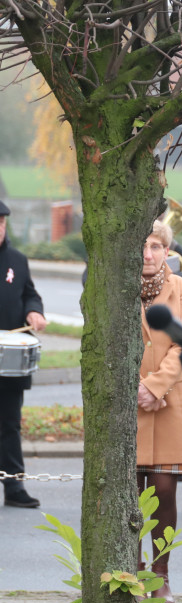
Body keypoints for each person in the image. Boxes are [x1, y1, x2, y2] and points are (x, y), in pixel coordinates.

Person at [136, 220, 182, 603]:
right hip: (125, 401)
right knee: (127, 495)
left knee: (162, 492)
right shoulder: (115, 283)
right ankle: (130, 572)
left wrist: (156, 386)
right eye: (143, 245)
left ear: (167, 251)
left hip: (167, 401)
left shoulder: (181, 288)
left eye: (156, 246)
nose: (148, 254)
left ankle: (160, 576)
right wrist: (137, 388)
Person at [0, 200, 47, 508]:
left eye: (2, 223)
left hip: (9, 363)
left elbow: (30, 292)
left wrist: (34, 311)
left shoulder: (17, 259)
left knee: (9, 425)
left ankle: (14, 489)